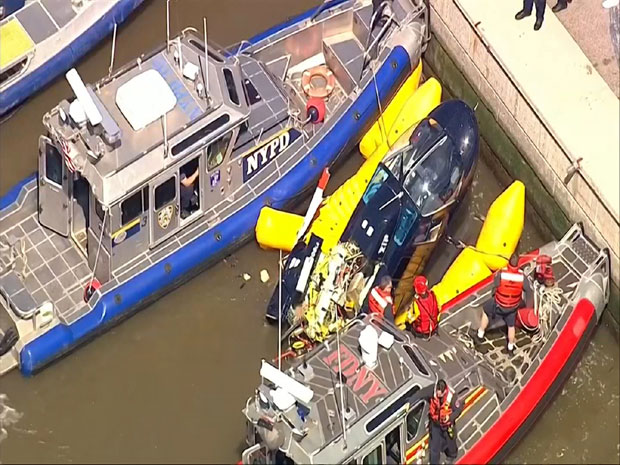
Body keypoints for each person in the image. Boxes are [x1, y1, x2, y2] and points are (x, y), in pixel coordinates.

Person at [475, 254, 525, 355]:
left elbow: (495, 285)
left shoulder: (502, 273)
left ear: (509, 263)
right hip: (512, 307)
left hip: (499, 304)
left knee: (486, 311)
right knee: (511, 326)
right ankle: (510, 347)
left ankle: (480, 334)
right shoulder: (522, 277)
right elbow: (526, 289)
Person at [428, 379, 463, 465]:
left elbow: (458, 410)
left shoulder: (452, 397)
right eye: (437, 393)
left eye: (440, 394)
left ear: (444, 392)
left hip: (447, 426)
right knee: (434, 448)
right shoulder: (434, 394)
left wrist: (449, 418)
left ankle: (452, 455)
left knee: (450, 442)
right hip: (436, 424)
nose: (438, 395)